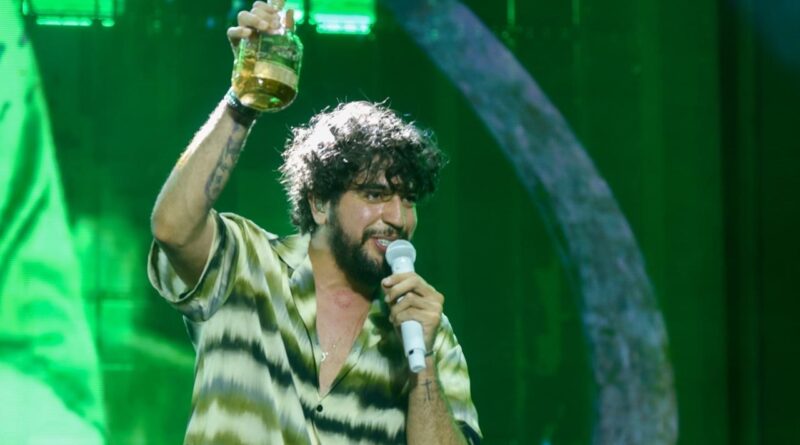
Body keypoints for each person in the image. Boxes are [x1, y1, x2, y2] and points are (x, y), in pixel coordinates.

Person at [147, 1, 481, 443]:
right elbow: (171, 228)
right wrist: (243, 100)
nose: (398, 218)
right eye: (375, 195)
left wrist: (423, 367)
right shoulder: (248, 264)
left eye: (409, 200)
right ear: (320, 204)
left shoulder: (428, 329)